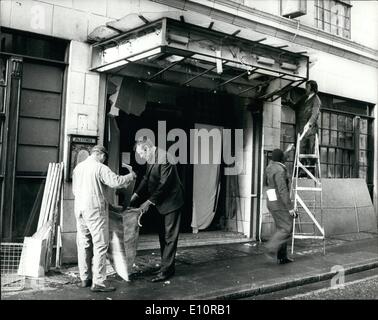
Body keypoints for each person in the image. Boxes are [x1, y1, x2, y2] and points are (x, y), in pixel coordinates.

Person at [72, 145, 136, 292]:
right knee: (100, 245)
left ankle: (84, 278)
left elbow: (75, 190)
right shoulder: (100, 167)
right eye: (104, 158)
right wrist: (130, 176)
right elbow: (116, 182)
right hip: (94, 210)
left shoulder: (78, 168)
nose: (104, 160)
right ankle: (99, 282)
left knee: (84, 244)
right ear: (101, 155)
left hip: (79, 210)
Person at [130, 137, 184, 282]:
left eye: (141, 153)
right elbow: (146, 178)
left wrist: (148, 202)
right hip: (161, 203)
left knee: (169, 237)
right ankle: (167, 267)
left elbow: (164, 184)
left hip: (172, 202)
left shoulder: (166, 157)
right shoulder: (151, 157)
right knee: (162, 236)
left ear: (146, 149)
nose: (141, 157)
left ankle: (166, 271)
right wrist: (134, 195)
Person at [264, 148, 297, 264]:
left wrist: (288, 150)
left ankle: (282, 257)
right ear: (281, 159)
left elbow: (280, 157)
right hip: (279, 202)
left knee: (281, 227)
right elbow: (282, 189)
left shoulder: (270, 166)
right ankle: (271, 248)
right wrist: (291, 207)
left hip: (271, 201)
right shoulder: (280, 171)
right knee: (286, 228)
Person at [287, 80, 321, 175]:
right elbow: (295, 107)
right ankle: (299, 171)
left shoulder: (316, 100)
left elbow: (315, 114)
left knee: (309, 150)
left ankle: (308, 173)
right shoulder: (304, 98)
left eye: (307, 87)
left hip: (309, 130)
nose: (305, 89)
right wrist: (288, 101)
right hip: (301, 129)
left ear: (312, 88)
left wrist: (309, 124)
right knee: (300, 149)